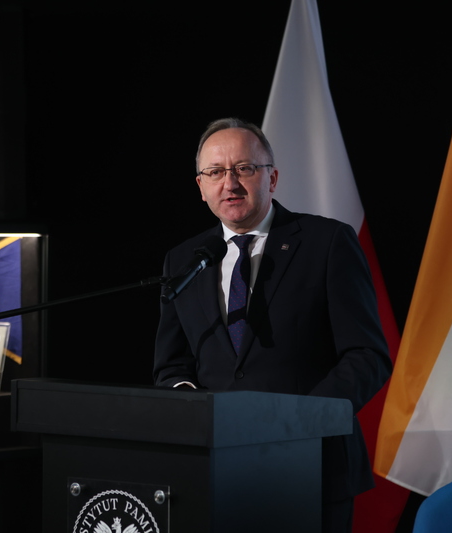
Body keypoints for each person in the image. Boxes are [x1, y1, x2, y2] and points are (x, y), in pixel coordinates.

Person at [153, 117, 392, 533]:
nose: (230, 183)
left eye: (244, 169)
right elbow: (171, 367)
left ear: (272, 177)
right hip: (214, 467)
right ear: (201, 186)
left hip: (311, 464)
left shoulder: (327, 242)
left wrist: (302, 421)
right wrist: (194, 410)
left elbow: (367, 355)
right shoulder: (185, 260)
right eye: (215, 172)